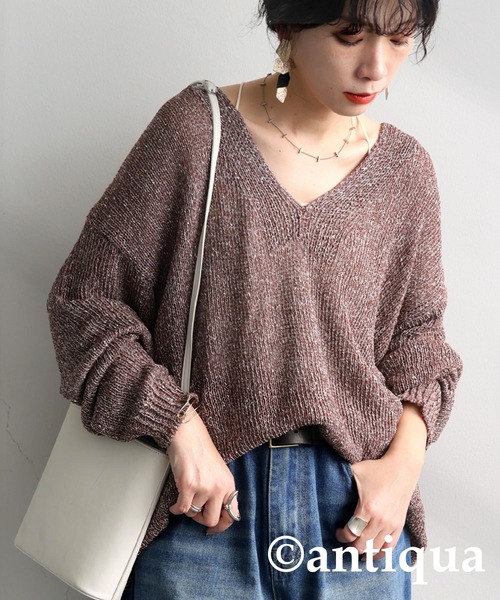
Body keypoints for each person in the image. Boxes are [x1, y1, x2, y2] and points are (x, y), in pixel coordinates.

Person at [46, 1, 463, 598]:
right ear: (288, 23)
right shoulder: (197, 133)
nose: (376, 67)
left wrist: (404, 467)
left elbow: (420, 343)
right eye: (350, 35)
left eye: (399, 40)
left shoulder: (405, 172)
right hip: (203, 506)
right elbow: (84, 301)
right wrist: (177, 426)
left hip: (354, 510)